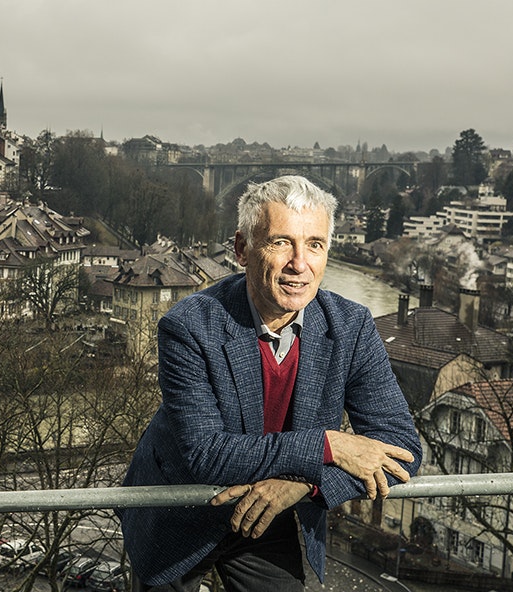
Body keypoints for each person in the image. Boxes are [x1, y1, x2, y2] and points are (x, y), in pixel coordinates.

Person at [120, 175, 422, 591]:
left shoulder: (351, 327)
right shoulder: (189, 326)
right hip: (181, 508)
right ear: (242, 249)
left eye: (314, 244)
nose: (299, 263)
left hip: (270, 507)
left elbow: (402, 447)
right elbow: (206, 454)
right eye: (281, 242)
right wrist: (329, 446)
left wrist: (302, 484)